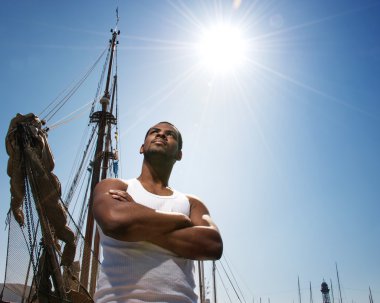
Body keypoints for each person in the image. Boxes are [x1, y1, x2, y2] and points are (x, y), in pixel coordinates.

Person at [93, 122, 223, 303]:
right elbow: (115, 221)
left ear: (179, 154)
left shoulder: (191, 202)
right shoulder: (114, 186)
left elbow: (212, 244)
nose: (161, 135)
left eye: (170, 134)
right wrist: (180, 219)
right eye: (154, 132)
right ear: (141, 147)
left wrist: (136, 215)